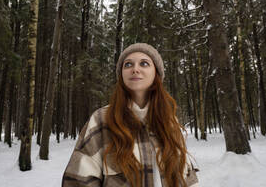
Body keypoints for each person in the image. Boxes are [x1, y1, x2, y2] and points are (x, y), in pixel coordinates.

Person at [62, 43, 198, 187]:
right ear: (121, 75)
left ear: (156, 73)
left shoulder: (170, 122)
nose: (135, 69)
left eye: (144, 63)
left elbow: (187, 179)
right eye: (128, 65)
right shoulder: (102, 120)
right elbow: (77, 181)